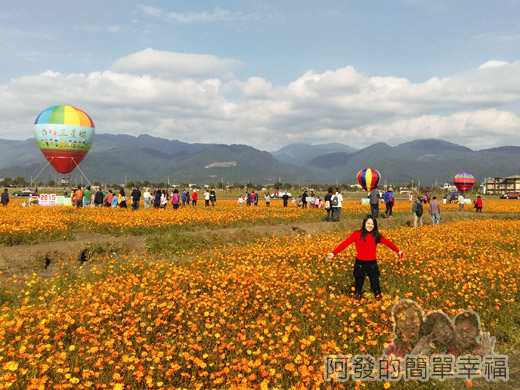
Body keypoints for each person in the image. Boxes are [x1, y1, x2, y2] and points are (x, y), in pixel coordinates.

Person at [325, 215, 403, 300]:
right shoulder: (357, 234)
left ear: (375, 225)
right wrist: (333, 253)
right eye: (368, 223)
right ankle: (356, 305)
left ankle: (380, 303)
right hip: (360, 264)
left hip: (372, 264)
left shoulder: (376, 235)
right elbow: (345, 243)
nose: (370, 226)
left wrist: (398, 251)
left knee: (376, 287)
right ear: (364, 223)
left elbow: (388, 243)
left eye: (372, 224)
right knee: (358, 288)